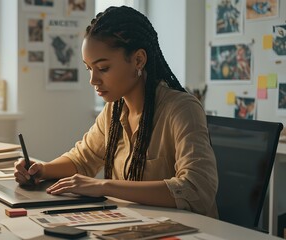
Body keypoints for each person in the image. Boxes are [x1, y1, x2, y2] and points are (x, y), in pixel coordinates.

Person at [14, 6, 218, 218]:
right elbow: (83, 159)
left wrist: (104, 186)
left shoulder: (182, 109)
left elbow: (196, 189)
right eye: (89, 69)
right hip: (133, 224)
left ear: (138, 60)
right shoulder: (114, 109)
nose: (93, 80)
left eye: (103, 68)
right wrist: (41, 169)